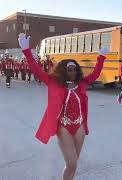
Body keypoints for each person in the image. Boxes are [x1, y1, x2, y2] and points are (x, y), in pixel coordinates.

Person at [18, 33, 107, 180]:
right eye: (69, 69)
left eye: (75, 69)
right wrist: (27, 51)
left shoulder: (82, 83)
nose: (73, 72)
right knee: (71, 163)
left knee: (73, 164)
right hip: (63, 127)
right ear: (63, 71)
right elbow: (36, 70)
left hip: (80, 127)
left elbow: (96, 73)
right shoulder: (53, 82)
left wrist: (101, 57)